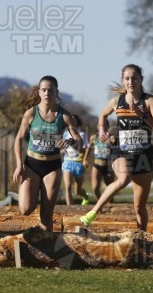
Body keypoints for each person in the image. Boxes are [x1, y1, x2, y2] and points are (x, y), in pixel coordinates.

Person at [80, 64, 153, 231]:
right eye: (127, 78)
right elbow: (102, 115)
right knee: (123, 178)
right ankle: (93, 212)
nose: (131, 82)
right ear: (123, 81)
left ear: (141, 80)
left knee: (139, 208)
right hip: (122, 151)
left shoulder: (149, 100)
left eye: (134, 78)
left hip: (143, 154)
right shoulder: (116, 102)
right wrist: (101, 129)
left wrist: (143, 115)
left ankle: (141, 238)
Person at [12, 75, 81, 231]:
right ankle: (32, 195)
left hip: (52, 167)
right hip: (32, 164)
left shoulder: (65, 115)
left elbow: (78, 139)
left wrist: (69, 141)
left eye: (50, 90)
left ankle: (47, 246)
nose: (47, 93)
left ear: (56, 92)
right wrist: (18, 165)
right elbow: (18, 140)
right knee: (25, 209)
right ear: (39, 92)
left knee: (46, 215)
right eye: (43, 90)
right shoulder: (30, 113)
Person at [83, 121, 116, 203]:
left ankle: (111, 205)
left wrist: (111, 144)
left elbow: (117, 146)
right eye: (102, 126)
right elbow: (89, 147)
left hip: (108, 166)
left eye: (105, 125)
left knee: (110, 189)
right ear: (98, 127)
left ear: (108, 127)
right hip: (97, 165)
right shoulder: (93, 137)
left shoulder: (111, 137)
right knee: (95, 187)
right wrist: (85, 159)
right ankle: (100, 204)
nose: (103, 127)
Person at [62, 114, 90, 205]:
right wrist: (62, 150)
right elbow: (62, 147)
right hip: (67, 162)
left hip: (78, 163)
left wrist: (85, 159)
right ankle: (69, 209)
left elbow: (85, 148)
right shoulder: (65, 133)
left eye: (73, 120)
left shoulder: (82, 134)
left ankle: (85, 196)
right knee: (68, 187)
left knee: (77, 191)